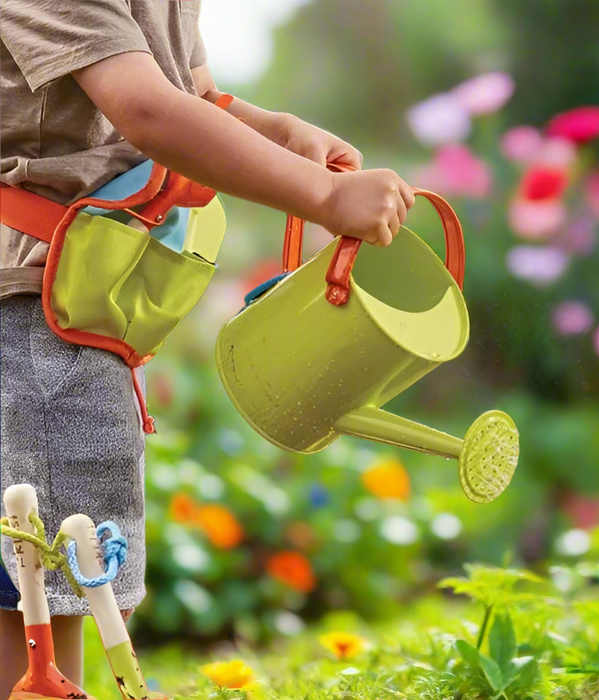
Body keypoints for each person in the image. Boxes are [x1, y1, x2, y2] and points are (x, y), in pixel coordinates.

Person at [0, 1, 415, 695]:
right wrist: (323, 196)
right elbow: (148, 111)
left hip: (72, 296)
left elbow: (185, 92)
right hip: (32, 302)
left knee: (40, 574)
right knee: (42, 572)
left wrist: (277, 131)